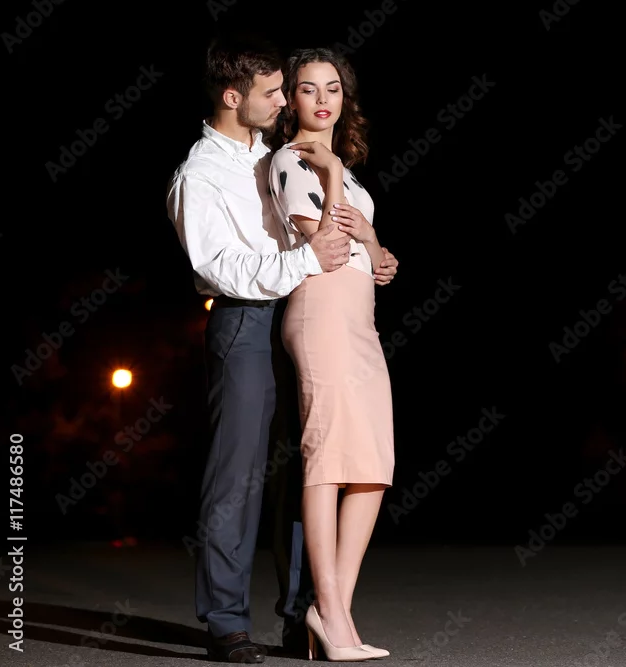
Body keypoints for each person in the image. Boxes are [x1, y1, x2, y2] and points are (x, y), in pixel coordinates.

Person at [166, 34, 399, 663]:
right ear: (231, 96)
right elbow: (219, 266)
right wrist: (307, 258)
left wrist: (368, 251)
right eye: (272, 92)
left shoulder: (273, 155)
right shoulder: (199, 175)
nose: (282, 101)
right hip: (245, 318)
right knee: (238, 472)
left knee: (307, 466)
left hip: (302, 309)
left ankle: (305, 614)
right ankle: (226, 623)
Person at [266, 47, 394, 662]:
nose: (323, 99)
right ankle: (333, 614)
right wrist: (335, 175)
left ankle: (332, 608)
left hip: (359, 321)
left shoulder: (349, 173)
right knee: (327, 462)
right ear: (290, 100)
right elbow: (323, 243)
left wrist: (377, 245)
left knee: (372, 466)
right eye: (309, 88)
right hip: (319, 313)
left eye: (333, 88)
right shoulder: (291, 160)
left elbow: (367, 251)